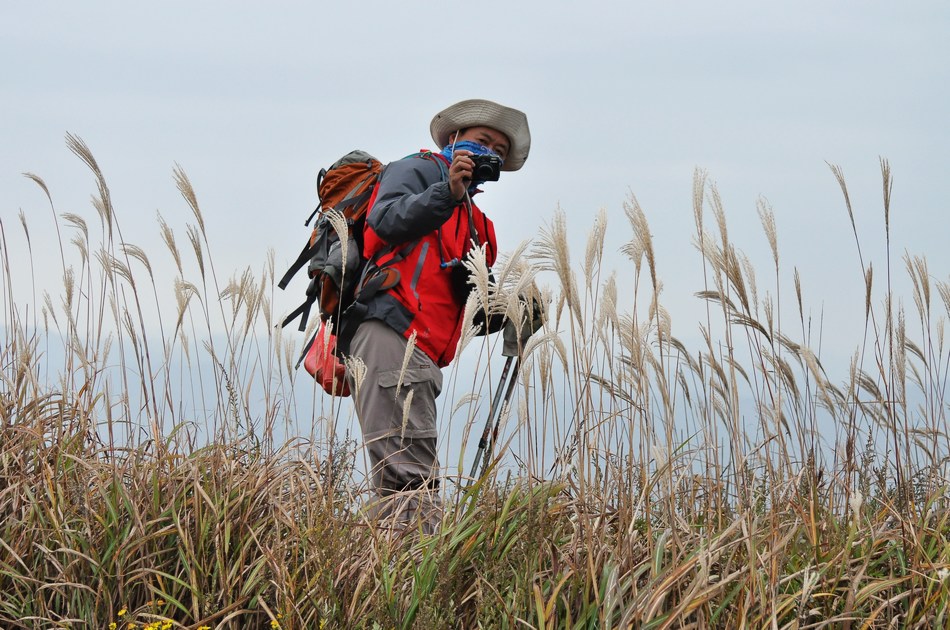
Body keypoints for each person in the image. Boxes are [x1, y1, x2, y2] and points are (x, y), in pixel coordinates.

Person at [343, 99, 537, 534]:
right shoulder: (418, 170)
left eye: (500, 152)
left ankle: (377, 582)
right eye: (482, 142)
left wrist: (513, 310)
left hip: (422, 356)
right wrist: (444, 193)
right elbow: (384, 221)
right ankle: (414, 585)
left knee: (400, 480)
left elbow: (474, 311)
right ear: (454, 140)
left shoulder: (478, 224)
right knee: (410, 482)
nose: (492, 154)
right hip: (391, 331)